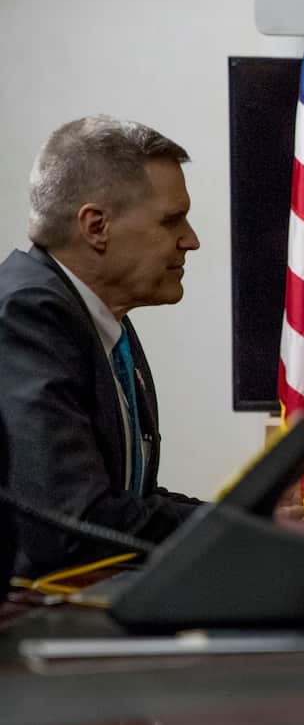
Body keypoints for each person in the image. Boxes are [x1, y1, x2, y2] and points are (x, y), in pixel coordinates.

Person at [0, 115, 207, 579]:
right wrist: (233, 527)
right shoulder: (25, 316)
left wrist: (246, 520)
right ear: (96, 226)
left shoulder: (101, 320)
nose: (190, 240)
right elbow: (76, 523)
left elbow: (127, 502)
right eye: (172, 220)